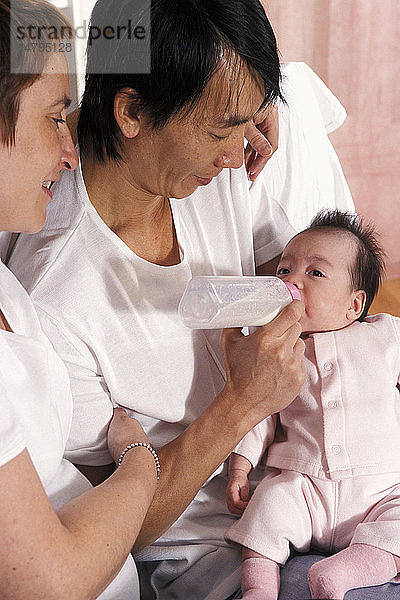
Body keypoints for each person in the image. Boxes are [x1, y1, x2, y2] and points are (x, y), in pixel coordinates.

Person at [5, 1, 370, 598]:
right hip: (217, 557)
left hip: (334, 498)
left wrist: (254, 105)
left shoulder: (214, 174)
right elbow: (121, 530)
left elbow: (307, 281)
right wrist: (240, 405)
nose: (238, 154)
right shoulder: (54, 300)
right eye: (222, 127)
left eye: (244, 123)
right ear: (130, 113)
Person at [0, 1, 163, 598]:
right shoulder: (49, 281)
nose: (69, 152)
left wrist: (267, 105)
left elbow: (122, 29)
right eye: (54, 119)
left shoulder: (7, 284)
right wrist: (141, 463)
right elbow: (51, 581)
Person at [226, 209, 400, 600]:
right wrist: (241, 467)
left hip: (380, 488)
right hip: (304, 486)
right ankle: (258, 589)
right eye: (284, 270)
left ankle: (341, 574)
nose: (292, 281)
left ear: (354, 305)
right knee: (268, 506)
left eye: (315, 273)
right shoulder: (277, 351)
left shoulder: (386, 335)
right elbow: (258, 411)